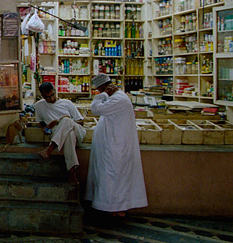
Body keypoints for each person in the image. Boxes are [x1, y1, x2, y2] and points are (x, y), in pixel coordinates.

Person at [85, 74, 148, 218]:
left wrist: (102, 96)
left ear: (103, 87)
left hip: (116, 146)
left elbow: (96, 109)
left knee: (114, 176)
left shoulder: (118, 98)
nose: (100, 92)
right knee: (111, 176)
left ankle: (115, 208)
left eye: (100, 90)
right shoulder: (115, 97)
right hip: (112, 144)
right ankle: (112, 207)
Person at [34, 82, 85, 184]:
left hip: (77, 131)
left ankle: (50, 148)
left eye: (53, 95)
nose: (52, 99)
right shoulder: (39, 106)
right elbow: (44, 128)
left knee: (66, 121)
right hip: (60, 135)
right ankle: (71, 172)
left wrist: (60, 121)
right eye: (48, 97)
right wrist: (48, 127)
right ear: (43, 96)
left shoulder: (67, 103)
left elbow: (81, 121)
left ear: (55, 91)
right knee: (69, 135)